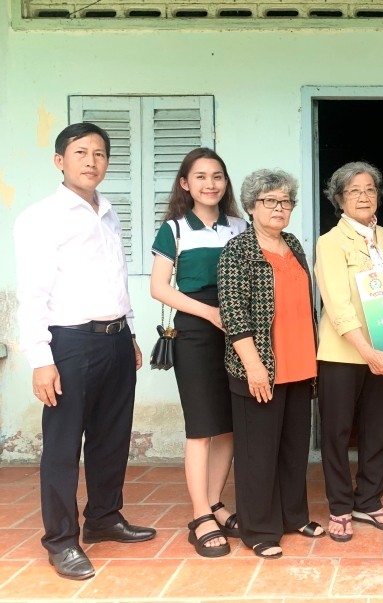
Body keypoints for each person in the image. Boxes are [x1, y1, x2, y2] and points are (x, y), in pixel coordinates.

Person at [13, 123, 155, 580]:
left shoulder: (108, 213)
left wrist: (129, 331)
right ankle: (61, 540)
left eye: (99, 153)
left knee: (112, 436)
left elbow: (115, 277)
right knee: (62, 445)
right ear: (60, 161)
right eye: (80, 152)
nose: (91, 161)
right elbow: (32, 293)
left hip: (115, 339)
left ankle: (104, 518)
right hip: (69, 343)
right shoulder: (41, 217)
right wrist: (41, 360)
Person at [218, 169, 323, 559]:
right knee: (257, 455)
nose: (279, 208)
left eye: (285, 201)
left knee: (294, 450)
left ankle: (294, 516)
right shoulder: (238, 251)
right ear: (251, 206)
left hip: (299, 364)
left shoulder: (293, 244)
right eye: (269, 201)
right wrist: (254, 366)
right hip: (260, 367)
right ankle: (259, 528)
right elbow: (233, 314)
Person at [149, 148, 247, 557]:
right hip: (195, 333)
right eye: (201, 176)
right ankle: (200, 515)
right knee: (201, 427)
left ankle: (216, 503)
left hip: (238, 332)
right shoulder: (173, 229)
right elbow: (159, 288)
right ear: (185, 183)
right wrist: (209, 312)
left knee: (228, 426)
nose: (211, 184)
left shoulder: (241, 227)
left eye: (218, 176)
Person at [315, 161, 383, 543]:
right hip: (343, 352)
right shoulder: (330, 242)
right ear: (339, 199)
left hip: (380, 350)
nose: (364, 197)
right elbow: (337, 304)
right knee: (336, 432)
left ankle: (369, 500)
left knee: (376, 429)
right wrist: (366, 350)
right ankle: (339, 506)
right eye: (354, 191)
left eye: (370, 189)